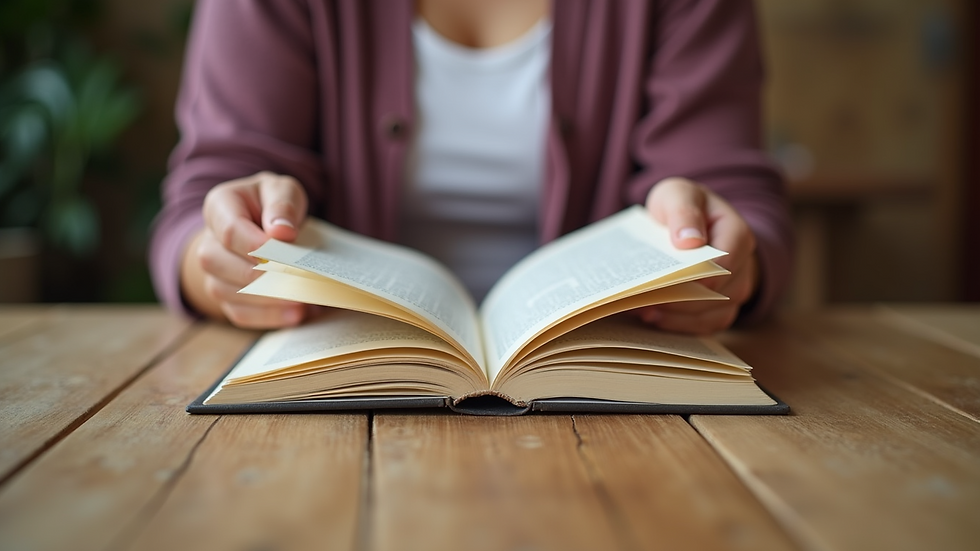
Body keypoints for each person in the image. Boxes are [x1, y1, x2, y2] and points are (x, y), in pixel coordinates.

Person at [150, 0, 793, 336]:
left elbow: (737, 201)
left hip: (608, 388)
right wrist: (224, 256)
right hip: (342, 387)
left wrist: (726, 251)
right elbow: (200, 207)